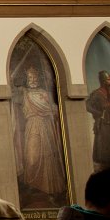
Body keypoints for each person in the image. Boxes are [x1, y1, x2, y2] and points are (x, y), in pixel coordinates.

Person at [12, 66, 66, 204]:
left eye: (35, 77)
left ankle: (50, 190)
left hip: (47, 126)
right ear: (26, 79)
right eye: (30, 77)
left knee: (48, 156)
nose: (33, 80)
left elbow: (54, 109)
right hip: (32, 126)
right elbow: (11, 93)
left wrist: (52, 111)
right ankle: (32, 185)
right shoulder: (24, 93)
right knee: (32, 158)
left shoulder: (45, 93)